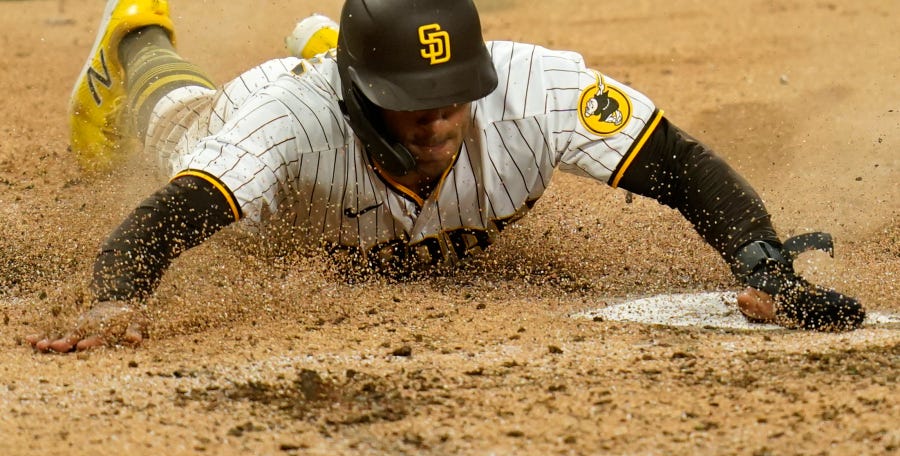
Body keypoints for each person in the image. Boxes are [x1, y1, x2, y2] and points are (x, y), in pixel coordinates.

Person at [29, 0, 865, 353]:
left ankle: (345, 44)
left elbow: (681, 165)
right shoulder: (286, 123)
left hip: (353, 82)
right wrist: (119, 297)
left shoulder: (535, 91)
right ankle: (135, 41)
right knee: (178, 120)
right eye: (409, 104)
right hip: (267, 121)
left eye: (451, 97)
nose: (437, 123)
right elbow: (169, 215)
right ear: (360, 99)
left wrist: (768, 269)